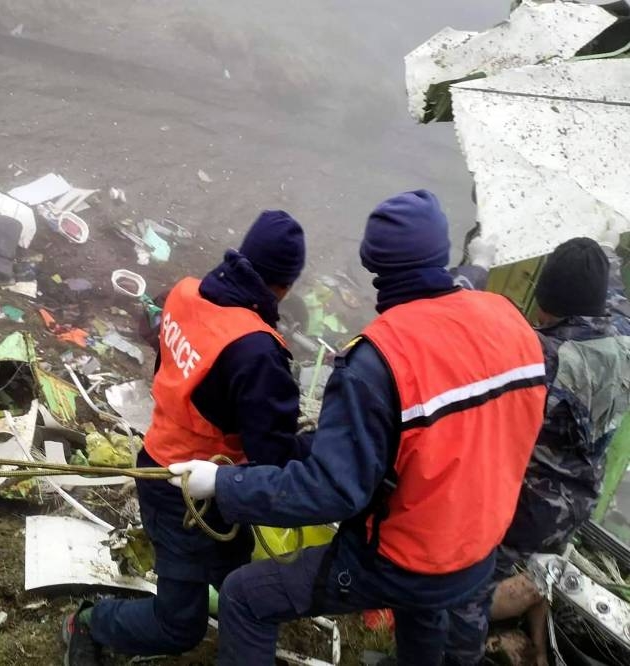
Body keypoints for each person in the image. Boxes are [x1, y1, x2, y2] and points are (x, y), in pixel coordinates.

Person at [168, 191, 548, 665]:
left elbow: (331, 493)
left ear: (376, 270)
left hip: (401, 560)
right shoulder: (512, 322)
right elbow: (450, 431)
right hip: (476, 551)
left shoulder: (378, 359)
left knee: (247, 596)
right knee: (424, 623)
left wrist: (224, 483)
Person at [63, 210, 312, 665]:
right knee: (179, 625)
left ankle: (242, 643)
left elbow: (166, 354)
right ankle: (90, 621)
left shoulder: (185, 291)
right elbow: (273, 458)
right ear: (287, 285)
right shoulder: (257, 350)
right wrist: (320, 446)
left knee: (237, 578)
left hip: (161, 460)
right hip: (189, 498)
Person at [445, 235, 630, 666]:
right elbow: (613, 293)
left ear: (542, 301)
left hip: (528, 507)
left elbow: (457, 321)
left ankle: (460, 648)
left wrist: (477, 267)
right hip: (580, 499)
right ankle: (536, 634)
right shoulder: (621, 337)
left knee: (463, 596)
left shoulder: (540, 357)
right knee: (527, 561)